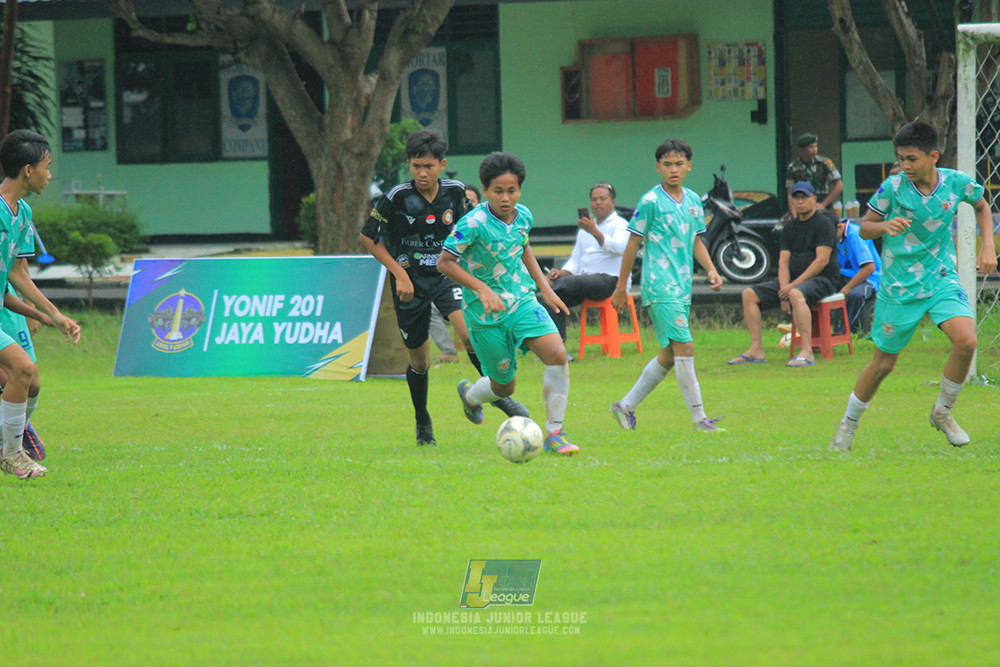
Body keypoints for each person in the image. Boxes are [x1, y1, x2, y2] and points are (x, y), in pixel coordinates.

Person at [829, 121, 998, 451]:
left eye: (911, 159)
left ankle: (942, 413)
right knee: (883, 365)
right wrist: (884, 225)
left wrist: (988, 245)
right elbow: (865, 229)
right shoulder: (891, 188)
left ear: (933, 156)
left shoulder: (957, 183)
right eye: (900, 159)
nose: (904, 166)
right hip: (899, 286)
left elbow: (982, 206)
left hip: (940, 277)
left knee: (966, 341)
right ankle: (848, 424)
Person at [360, 130, 527, 447]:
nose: (423, 173)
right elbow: (368, 238)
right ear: (409, 165)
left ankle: (496, 396)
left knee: (469, 336)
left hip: (446, 275)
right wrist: (400, 273)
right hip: (410, 281)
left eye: (429, 166)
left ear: (442, 164)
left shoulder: (455, 194)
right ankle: (422, 421)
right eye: (416, 165)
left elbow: (473, 230)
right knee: (420, 361)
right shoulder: (396, 197)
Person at [438, 152, 580, 456]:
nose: (506, 198)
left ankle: (555, 432)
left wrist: (545, 286)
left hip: (521, 301)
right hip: (484, 314)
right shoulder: (472, 223)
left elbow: (523, 245)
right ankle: (471, 396)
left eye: (512, 191)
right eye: (498, 191)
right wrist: (481, 289)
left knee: (557, 354)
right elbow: (445, 262)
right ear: (485, 190)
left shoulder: (524, 215)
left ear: (520, 189)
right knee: (505, 387)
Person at [608, 138, 725, 433]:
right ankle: (701, 420)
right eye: (668, 164)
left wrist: (711, 269)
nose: (674, 169)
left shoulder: (694, 201)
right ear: (658, 167)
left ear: (689, 166)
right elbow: (632, 243)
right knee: (684, 346)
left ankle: (625, 406)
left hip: (682, 285)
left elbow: (697, 240)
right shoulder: (649, 202)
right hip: (660, 286)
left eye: (679, 164)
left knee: (670, 354)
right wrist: (622, 287)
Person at [0, 130, 82, 479]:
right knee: (21, 369)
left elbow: (17, 274)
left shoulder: (22, 212)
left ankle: (10, 447)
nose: (51, 175)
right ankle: (12, 454)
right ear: (28, 169)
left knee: (29, 381)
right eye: (48, 167)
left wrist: (52, 314)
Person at [728, 181, 840, 367]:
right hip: (793, 282)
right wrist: (783, 289)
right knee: (749, 294)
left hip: (823, 279)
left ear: (814, 198)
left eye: (805, 197)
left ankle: (806, 352)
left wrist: (791, 287)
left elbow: (822, 261)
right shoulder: (789, 227)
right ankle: (756, 349)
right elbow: (783, 262)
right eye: (796, 197)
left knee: (796, 293)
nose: (800, 201)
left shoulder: (824, 223)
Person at [542, 182, 630, 347]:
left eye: (602, 199)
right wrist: (561, 273)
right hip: (584, 281)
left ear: (613, 202)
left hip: (611, 281)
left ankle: (560, 285)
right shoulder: (585, 229)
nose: (598, 203)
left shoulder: (621, 225)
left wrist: (594, 232)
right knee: (552, 297)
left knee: (578, 281)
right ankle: (557, 347)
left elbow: (620, 248)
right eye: (594, 199)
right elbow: (575, 261)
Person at [427, 185, 484, 364]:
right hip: (451, 281)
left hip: (480, 283)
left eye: (470, 201)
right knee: (429, 310)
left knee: (472, 336)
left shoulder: (482, 224)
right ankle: (449, 352)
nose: (465, 204)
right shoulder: (452, 227)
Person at [835, 218, 881, 333]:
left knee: (855, 295)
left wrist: (846, 289)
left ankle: (844, 333)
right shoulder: (835, 235)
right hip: (846, 274)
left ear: (839, 227)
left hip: (868, 278)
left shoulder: (855, 234)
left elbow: (869, 268)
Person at [786, 133, 844, 212]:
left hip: (820, 204)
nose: (815, 149)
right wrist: (794, 215)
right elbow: (790, 193)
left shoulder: (825, 163)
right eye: (811, 147)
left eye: (816, 146)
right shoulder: (793, 167)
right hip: (802, 205)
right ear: (802, 149)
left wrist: (823, 204)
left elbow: (839, 186)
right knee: (781, 224)